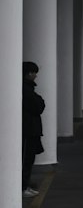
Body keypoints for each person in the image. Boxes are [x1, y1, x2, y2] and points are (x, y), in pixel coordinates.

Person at [22, 61, 45, 197]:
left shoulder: (28, 88)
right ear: (28, 73)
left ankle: (25, 185)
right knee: (26, 159)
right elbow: (38, 106)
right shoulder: (25, 89)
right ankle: (23, 187)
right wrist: (40, 101)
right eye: (34, 72)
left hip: (30, 129)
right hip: (28, 130)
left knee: (29, 159)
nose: (35, 75)